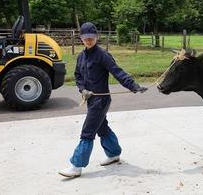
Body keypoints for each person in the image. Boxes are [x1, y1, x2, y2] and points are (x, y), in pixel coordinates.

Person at [58, 22, 148, 177]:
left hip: (101, 101)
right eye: (86, 38)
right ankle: (113, 153)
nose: (89, 41)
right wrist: (83, 89)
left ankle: (76, 166)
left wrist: (133, 85)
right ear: (81, 38)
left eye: (91, 38)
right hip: (91, 99)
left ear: (97, 37)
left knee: (87, 132)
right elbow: (78, 75)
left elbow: (117, 72)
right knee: (102, 128)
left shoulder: (102, 55)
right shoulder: (81, 56)